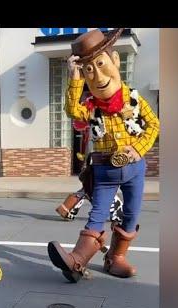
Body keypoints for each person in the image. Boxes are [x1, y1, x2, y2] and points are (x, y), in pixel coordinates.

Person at [47, 29, 160, 282]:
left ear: (116, 61)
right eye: (89, 70)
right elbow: (72, 111)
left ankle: (115, 258)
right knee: (97, 213)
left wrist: (137, 149)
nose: (97, 76)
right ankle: (76, 261)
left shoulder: (134, 99)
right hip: (105, 170)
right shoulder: (91, 108)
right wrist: (74, 77)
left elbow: (154, 126)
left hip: (135, 168)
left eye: (100, 64)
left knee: (131, 212)